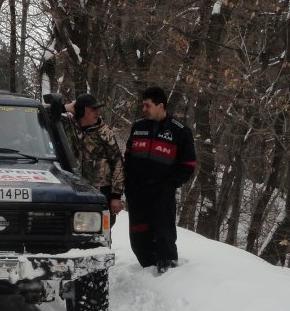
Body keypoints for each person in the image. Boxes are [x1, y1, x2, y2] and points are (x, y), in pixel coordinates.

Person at [123, 86, 197, 273]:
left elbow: (188, 165)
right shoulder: (138, 126)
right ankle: (146, 271)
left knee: (164, 234)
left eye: (147, 105)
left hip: (162, 193)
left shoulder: (180, 131)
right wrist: (128, 184)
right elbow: (128, 157)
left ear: (160, 105)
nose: (144, 109)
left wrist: (169, 185)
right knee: (138, 235)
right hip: (137, 191)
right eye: (143, 105)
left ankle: (167, 272)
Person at [63, 92, 124, 225]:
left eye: (97, 109)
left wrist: (116, 196)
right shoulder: (68, 125)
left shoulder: (105, 133)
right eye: (92, 109)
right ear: (81, 111)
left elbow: (118, 163)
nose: (97, 112)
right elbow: (42, 112)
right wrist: (65, 107)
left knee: (100, 234)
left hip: (100, 195)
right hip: (72, 192)